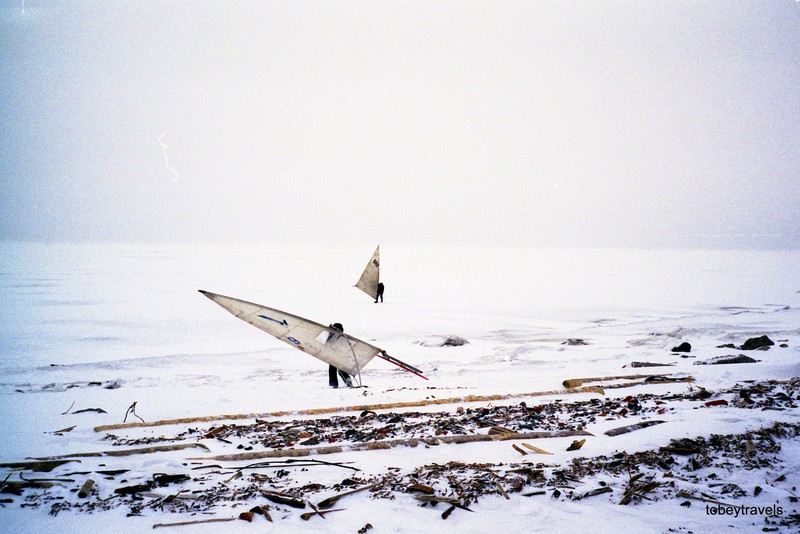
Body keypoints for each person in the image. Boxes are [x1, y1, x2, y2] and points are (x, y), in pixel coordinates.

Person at [328, 323, 353, 388]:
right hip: (338, 355)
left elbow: (328, 343)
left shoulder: (334, 335)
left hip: (336, 355)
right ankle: (347, 381)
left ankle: (334, 384)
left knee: (334, 370)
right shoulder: (343, 336)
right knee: (338, 370)